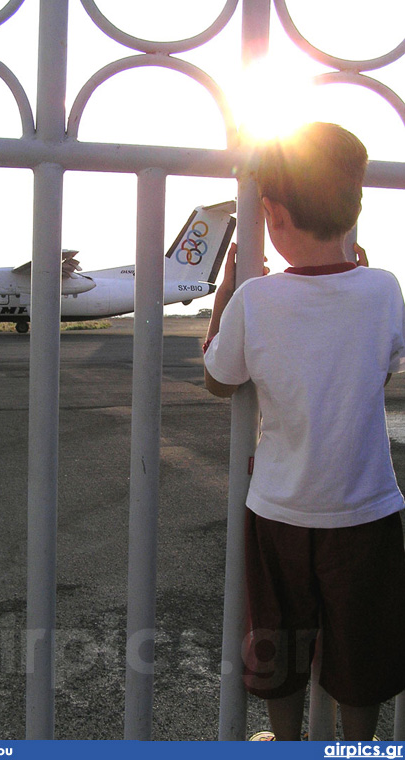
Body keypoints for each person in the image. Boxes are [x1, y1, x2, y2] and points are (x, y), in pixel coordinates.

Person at [203, 122, 405, 741]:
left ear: (270, 213)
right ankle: (356, 746)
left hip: (279, 512)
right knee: (361, 658)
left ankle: (286, 745)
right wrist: (357, 273)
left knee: (280, 653)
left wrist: (226, 296)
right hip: (365, 511)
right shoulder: (383, 289)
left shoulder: (257, 300)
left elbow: (219, 376)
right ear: (354, 208)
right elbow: (388, 357)